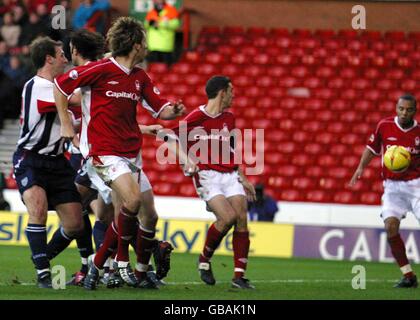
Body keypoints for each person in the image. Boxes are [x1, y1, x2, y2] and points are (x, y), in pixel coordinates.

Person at [54, 16, 187, 289]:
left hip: (130, 153)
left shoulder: (140, 77)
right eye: (145, 41)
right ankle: (123, 262)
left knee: (136, 212)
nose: (148, 46)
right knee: (133, 200)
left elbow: (160, 109)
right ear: (136, 45)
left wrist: (173, 111)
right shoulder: (101, 68)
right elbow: (60, 86)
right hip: (103, 151)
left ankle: (106, 267)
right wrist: (67, 124)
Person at [163, 75, 257, 289]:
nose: (234, 95)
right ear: (222, 92)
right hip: (207, 176)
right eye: (231, 91)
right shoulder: (197, 116)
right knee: (228, 218)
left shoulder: (229, 118)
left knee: (241, 217)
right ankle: (204, 259)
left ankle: (239, 277)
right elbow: (168, 136)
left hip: (229, 174)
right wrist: (186, 160)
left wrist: (244, 178)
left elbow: (232, 150)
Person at [12, 36, 84, 288]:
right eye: (61, 54)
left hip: (57, 161)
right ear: (49, 59)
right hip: (30, 159)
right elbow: (74, 100)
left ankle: (43, 255)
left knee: (75, 223)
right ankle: (43, 272)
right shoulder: (38, 85)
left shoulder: (57, 88)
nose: (65, 58)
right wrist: (96, 75)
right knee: (38, 210)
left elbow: (71, 116)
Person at [349, 94, 420, 288]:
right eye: (401, 108)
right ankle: (408, 276)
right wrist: (360, 168)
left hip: (416, 185)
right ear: (396, 108)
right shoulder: (384, 125)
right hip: (392, 187)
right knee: (390, 227)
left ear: (415, 110)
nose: (404, 113)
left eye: (409, 109)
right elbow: (372, 148)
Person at [145, 0, 180, 66]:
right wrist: (151, 23)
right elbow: (146, 24)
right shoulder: (151, 11)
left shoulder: (171, 10)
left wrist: (160, 24)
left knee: (165, 69)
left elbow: (176, 24)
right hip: (153, 46)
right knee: (153, 68)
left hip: (166, 46)